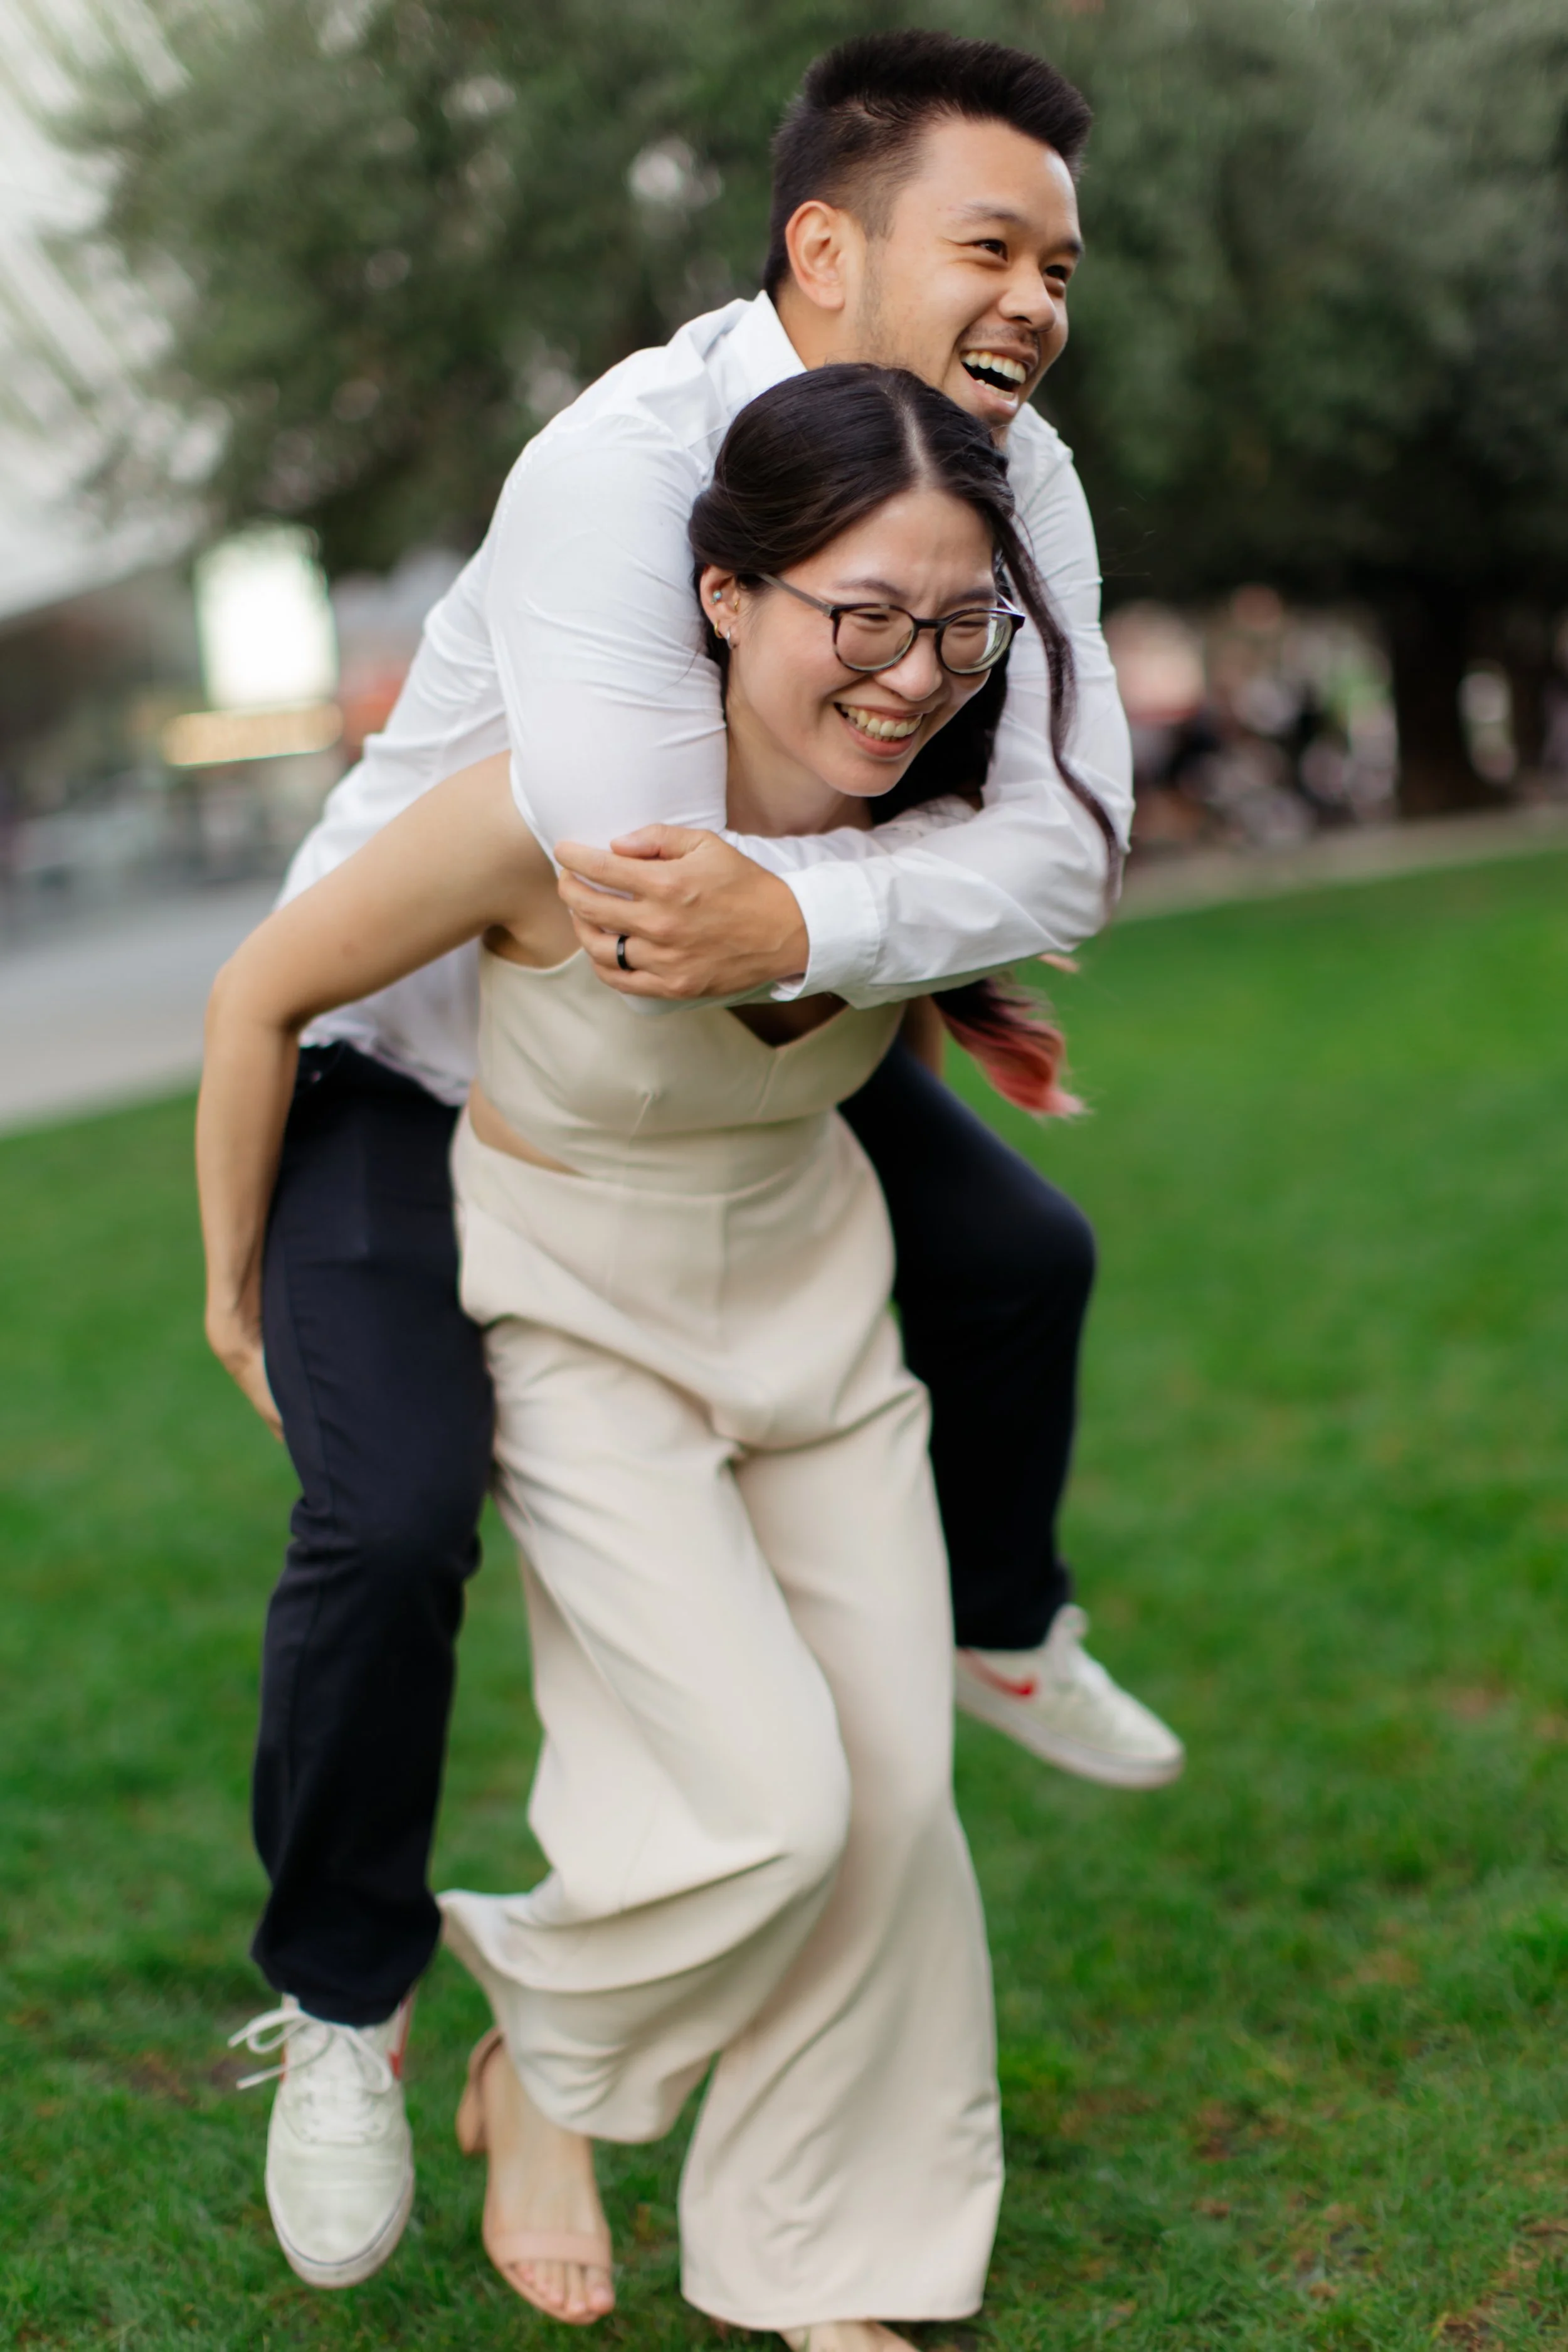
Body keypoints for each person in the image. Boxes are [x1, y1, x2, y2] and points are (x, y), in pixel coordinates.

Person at [218, 28, 1181, 2295]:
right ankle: (354, 2003)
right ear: (824, 245)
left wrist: (889, 931)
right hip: (432, 1050)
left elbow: (1071, 839)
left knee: (1022, 1253)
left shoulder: (1010, 473)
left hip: (753, 1076)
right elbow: (671, 903)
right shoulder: (620, 462)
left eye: (1062, 259)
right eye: (991, 243)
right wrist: (895, 914)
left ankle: (997, 1618)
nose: (1039, 296)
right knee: (384, 1513)